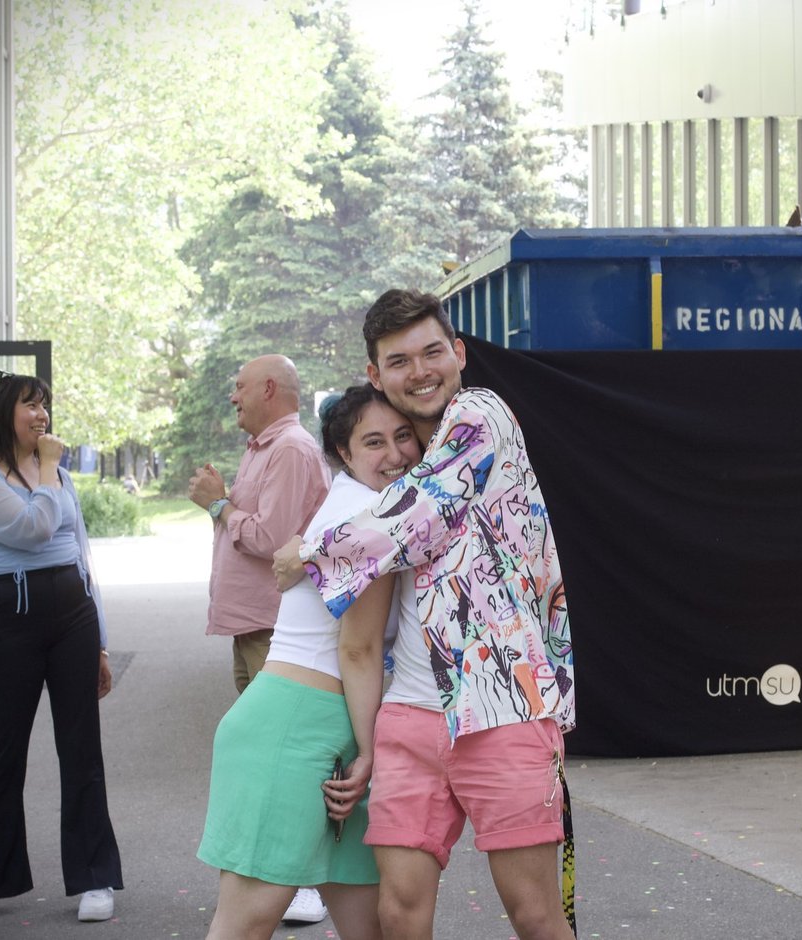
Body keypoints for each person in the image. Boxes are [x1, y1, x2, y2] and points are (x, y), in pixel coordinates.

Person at [274, 289, 576, 940]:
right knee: (399, 915)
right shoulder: (399, 465)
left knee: (534, 916)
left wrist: (311, 550)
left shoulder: (482, 415)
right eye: (400, 360)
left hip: (504, 707)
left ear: (459, 353)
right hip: (409, 716)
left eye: (433, 351)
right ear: (375, 375)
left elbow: (424, 510)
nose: (421, 370)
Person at [199, 386, 423, 940]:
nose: (394, 454)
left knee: (371, 926)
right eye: (374, 442)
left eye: (403, 437)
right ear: (343, 454)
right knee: (244, 926)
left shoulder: (372, 506)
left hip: (332, 729)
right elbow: (357, 647)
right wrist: (373, 750)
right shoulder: (368, 516)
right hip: (293, 728)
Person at [0, 372, 122, 924]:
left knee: (81, 746)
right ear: (4, 413)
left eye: (45, 405)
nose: (42, 415)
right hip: (11, 618)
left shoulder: (59, 476)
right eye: (31, 405)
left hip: (72, 616)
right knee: (7, 751)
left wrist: (100, 643)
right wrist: (48, 468)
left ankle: (94, 878)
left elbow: (80, 555)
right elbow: (34, 530)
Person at [187, 353, 333, 925]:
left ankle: (296, 880)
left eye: (240, 387)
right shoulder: (266, 450)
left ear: (270, 388)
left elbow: (274, 539)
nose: (233, 397)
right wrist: (224, 502)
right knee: (257, 755)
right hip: (253, 625)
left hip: (276, 629)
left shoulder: (291, 449)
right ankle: (268, 874)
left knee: (278, 758)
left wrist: (218, 504)